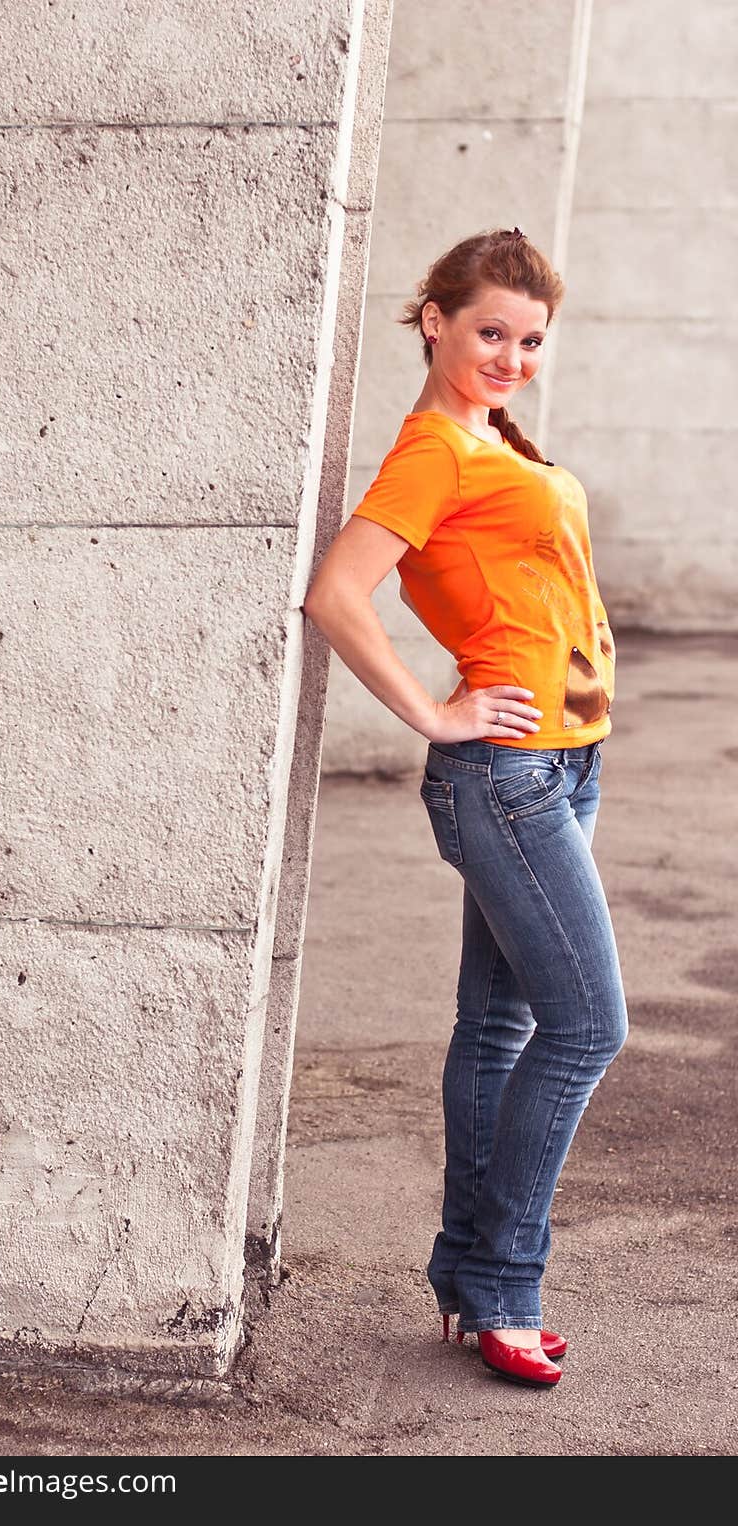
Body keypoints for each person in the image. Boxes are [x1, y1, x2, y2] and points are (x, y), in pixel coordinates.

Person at [302, 227, 629, 1389]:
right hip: (508, 772)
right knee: (588, 1026)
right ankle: (505, 1285)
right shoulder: (434, 452)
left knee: (498, 1028)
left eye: (529, 339)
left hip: (562, 761)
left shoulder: (493, 439)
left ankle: (462, 1269)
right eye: (489, 331)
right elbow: (338, 594)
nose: (510, 354)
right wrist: (430, 716)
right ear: (435, 320)